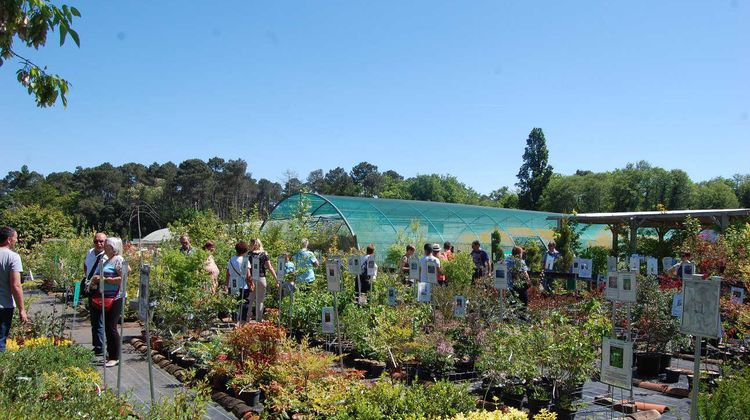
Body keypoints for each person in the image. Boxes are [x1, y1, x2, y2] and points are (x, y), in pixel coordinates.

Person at [88, 237, 128, 367]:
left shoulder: (118, 259)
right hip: (106, 296)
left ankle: (114, 356)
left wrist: (104, 279)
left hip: (116, 297)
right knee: (107, 326)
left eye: (107, 245)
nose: (104, 247)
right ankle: (110, 354)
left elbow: (122, 277)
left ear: (113, 248)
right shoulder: (106, 260)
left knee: (111, 326)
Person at [0, 227, 27, 352]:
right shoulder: (13, 257)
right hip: (4, 306)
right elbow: (16, 285)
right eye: (16, 237)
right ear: (9, 240)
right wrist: (22, 309)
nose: (17, 240)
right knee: (1, 341)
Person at [84, 232, 108, 356]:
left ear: (106, 242)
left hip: (102, 288)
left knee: (100, 318)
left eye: (101, 241)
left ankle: (101, 346)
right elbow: (85, 266)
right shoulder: (90, 252)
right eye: (96, 241)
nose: (99, 243)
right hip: (91, 288)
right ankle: (97, 345)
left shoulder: (108, 256)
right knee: (94, 318)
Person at [248, 239, 278, 322]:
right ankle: (259, 320)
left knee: (250, 299)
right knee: (260, 300)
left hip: (251, 279)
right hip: (261, 278)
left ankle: (246, 320)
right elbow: (270, 267)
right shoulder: (264, 254)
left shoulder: (249, 254)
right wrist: (276, 279)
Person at [226, 241, 252, 321]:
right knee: (244, 304)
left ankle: (234, 321)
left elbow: (227, 274)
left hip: (232, 284)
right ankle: (242, 321)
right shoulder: (245, 261)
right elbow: (248, 275)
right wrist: (251, 284)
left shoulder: (231, 260)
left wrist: (226, 285)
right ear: (245, 250)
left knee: (234, 303)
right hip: (243, 285)